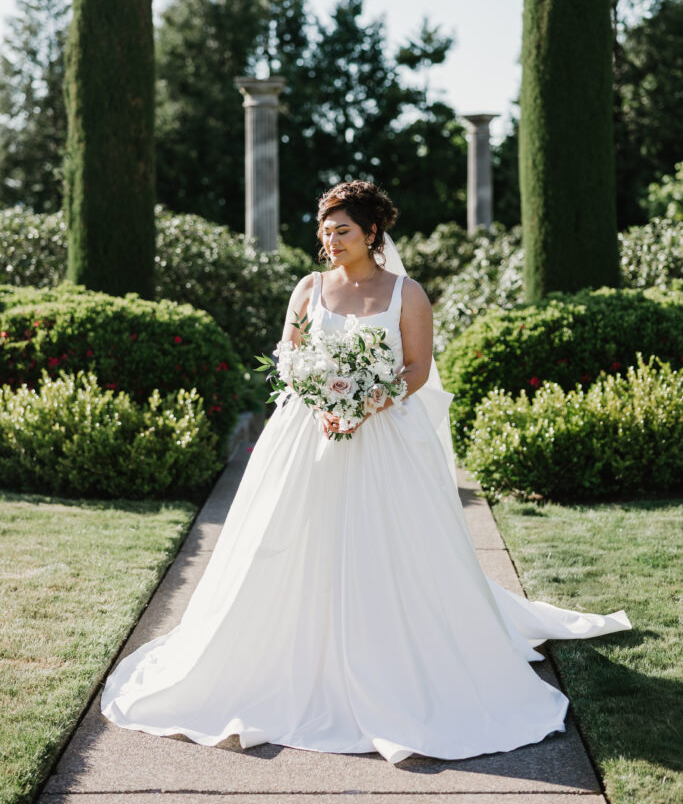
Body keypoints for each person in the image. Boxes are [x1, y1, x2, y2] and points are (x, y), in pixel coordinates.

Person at [101, 180, 632, 766]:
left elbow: (417, 369)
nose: (330, 240)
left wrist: (366, 402)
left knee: (386, 543)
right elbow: (289, 356)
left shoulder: (407, 293)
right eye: (325, 230)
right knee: (292, 539)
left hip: (383, 436)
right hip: (308, 432)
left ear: (372, 232)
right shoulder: (309, 288)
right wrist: (320, 398)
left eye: (343, 230)